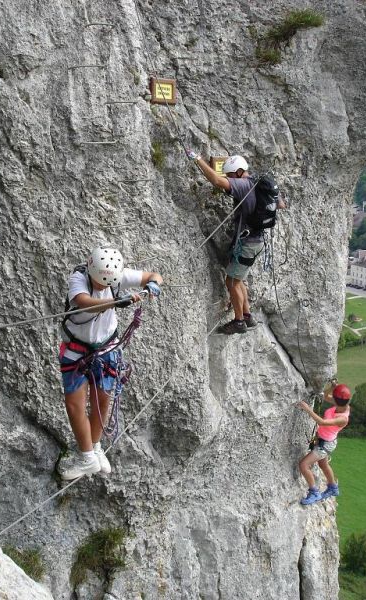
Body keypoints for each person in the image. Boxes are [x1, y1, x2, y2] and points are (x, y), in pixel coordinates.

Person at [58, 246, 163, 480]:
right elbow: (83, 301)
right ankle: (87, 458)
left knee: (103, 401)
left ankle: (94, 449)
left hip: (106, 348)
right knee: (75, 405)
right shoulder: (79, 278)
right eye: (99, 282)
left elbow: (152, 275)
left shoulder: (117, 277)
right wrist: (117, 303)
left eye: (106, 284)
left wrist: (152, 285)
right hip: (76, 349)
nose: (102, 287)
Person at [187, 152, 286, 334]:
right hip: (256, 241)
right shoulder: (258, 182)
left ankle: (239, 321)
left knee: (231, 281)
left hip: (247, 243)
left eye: (231, 176)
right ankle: (247, 316)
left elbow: (217, 182)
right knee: (238, 280)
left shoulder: (243, 185)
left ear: (240, 172)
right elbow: (280, 205)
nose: (229, 180)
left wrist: (197, 159)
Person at [296, 383, 352, 505]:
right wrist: (333, 388)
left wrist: (307, 409)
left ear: (337, 401)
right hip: (326, 440)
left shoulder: (342, 418)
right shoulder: (343, 405)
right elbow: (326, 396)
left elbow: (322, 422)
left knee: (303, 465)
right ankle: (333, 488)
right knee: (323, 465)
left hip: (325, 445)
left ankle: (314, 492)